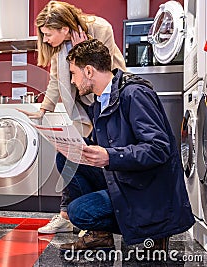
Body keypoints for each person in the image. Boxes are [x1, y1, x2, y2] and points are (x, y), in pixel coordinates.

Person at [58, 39, 195, 253]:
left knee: (79, 212)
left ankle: (154, 228)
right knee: (67, 154)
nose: (73, 81)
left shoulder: (134, 94)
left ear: (88, 71)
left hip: (146, 189)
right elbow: (102, 147)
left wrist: (110, 157)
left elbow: (159, 148)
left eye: (73, 74)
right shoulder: (100, 102)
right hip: (125, 176)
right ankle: (100, 235)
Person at [20, 0, 126, 234]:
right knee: (69, 156)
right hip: (84, 108)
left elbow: (102, 72)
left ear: (65, 29)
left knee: (96, 159)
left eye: (48, 34)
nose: (45, 39)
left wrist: (85, 50)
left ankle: (92, 219)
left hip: (110, 105)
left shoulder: (101, 28)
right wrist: (43, 109)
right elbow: (55, 81)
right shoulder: (60, 49)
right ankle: (73, 217)